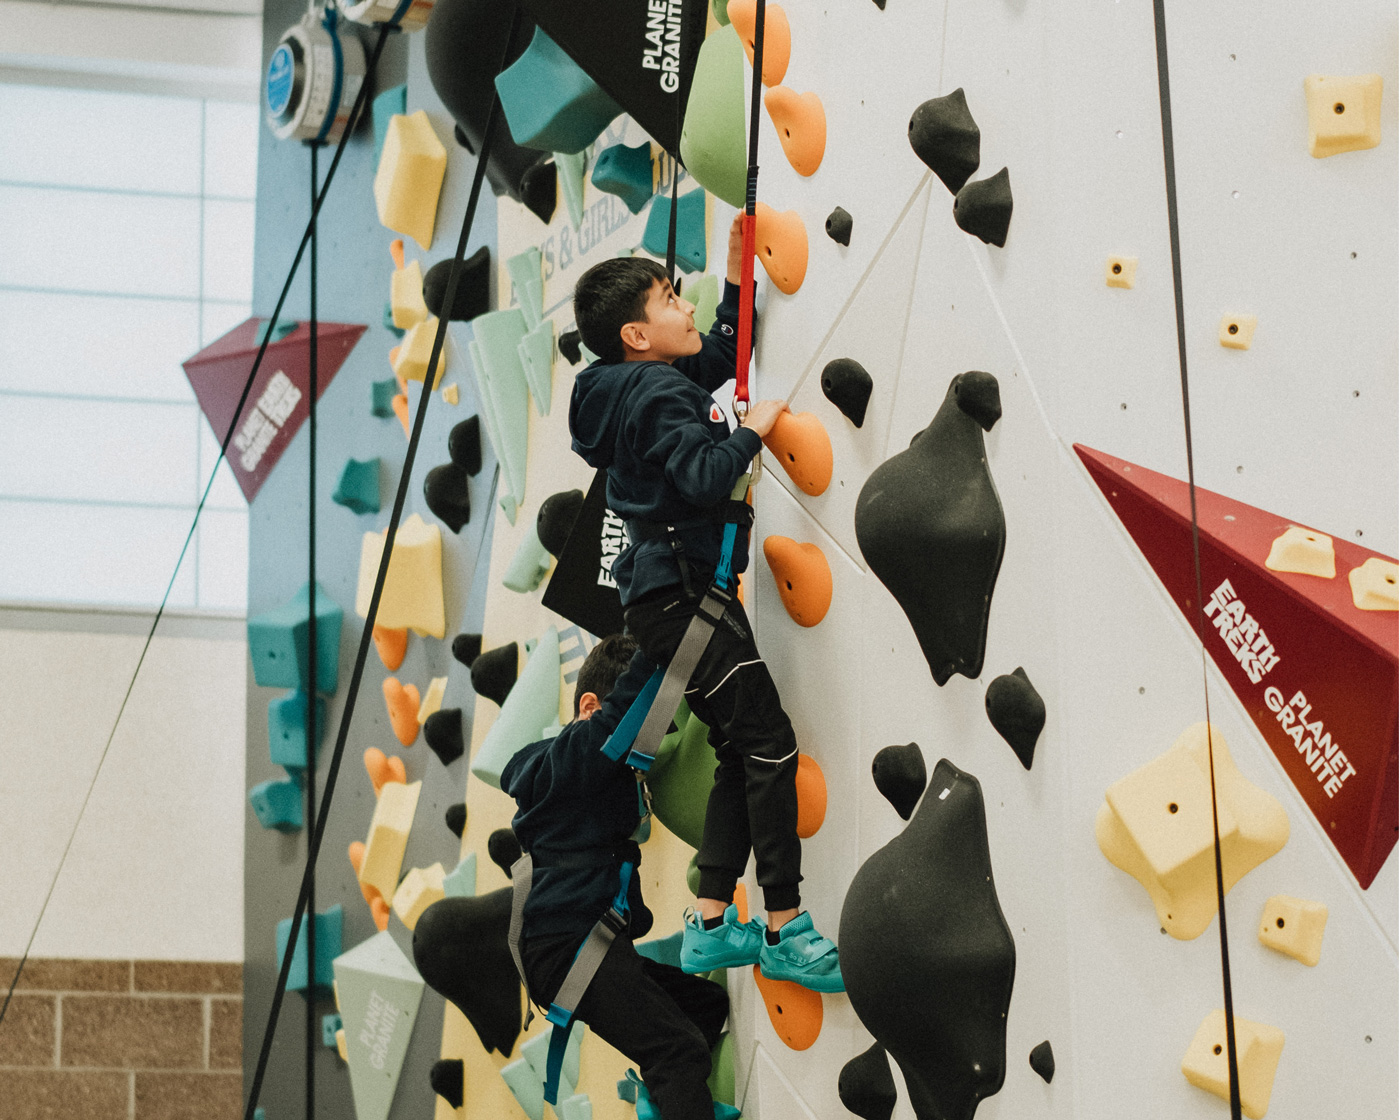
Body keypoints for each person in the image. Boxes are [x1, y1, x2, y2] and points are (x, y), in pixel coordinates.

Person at [566, 215, 842, 992]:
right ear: (636, 334)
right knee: (771, 745)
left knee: (738, 747)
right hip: (687, 597)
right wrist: (753, 432)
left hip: (674, 598)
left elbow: (718, 352)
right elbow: (699, 475)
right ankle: (785, 926)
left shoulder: (630, 389)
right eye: (667, 299)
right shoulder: (653, 393)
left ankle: (714, 922)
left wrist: (736, 283)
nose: (684, 307)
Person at [501, 635, 731, 1120]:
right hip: (566, 948)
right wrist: (668, 635)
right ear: (589, 707)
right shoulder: (566, 760)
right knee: (677, 1051)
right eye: (643, 730)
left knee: (704, 1007)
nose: (647, 743)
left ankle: (661, 1106)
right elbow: (614, 720)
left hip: (585, 942)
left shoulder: (585, 776)